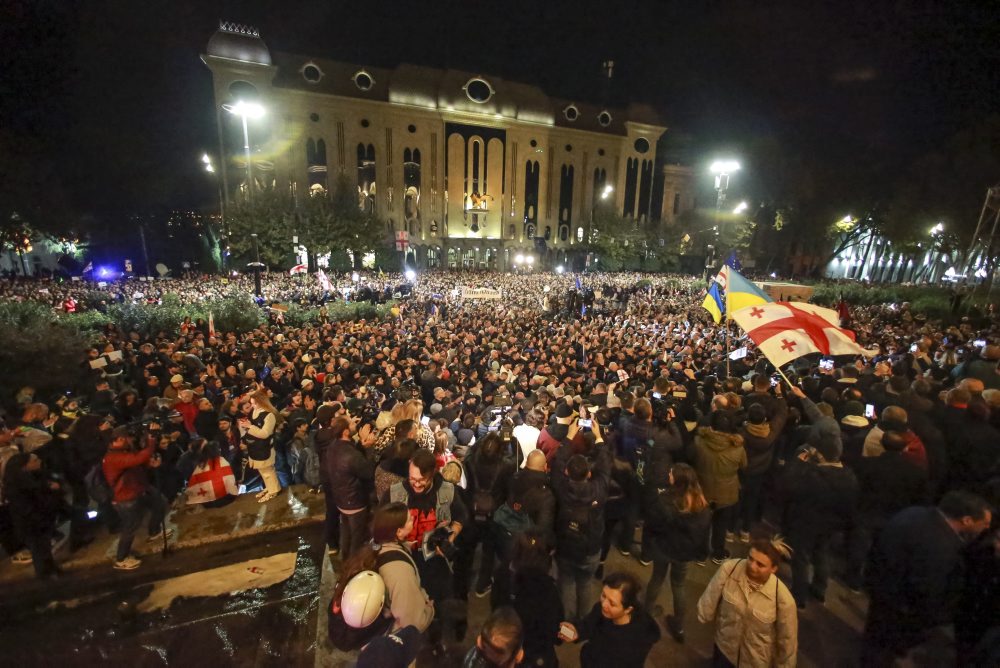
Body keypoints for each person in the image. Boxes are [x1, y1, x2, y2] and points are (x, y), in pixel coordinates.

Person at [862, 491, 993, 667]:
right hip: (901, 612)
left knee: (873, 640)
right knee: (881, 653)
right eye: (985, 523)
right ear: (967, 520)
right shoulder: (944, 549)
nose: (986, 528)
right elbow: (927, 593)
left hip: (880, 591)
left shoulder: (913, 513)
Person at [330, 502, 434, 635]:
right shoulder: (400, 571)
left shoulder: (374, 547)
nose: (413, 519)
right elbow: (412, 622)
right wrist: (430, 609)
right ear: (399, 531)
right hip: (394, 639)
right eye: (409, 519)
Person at [696, 535, 798, 667]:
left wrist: (784, 664)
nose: (751, 565)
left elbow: (787, 640)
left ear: (773, 569)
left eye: (760, 565)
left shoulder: (783, 599)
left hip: (754, 662)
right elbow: (710, 597)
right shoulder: (730, 569)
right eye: (750, 558)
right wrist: (704, 613)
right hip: (724, 649)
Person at [388, 448, 467, 606]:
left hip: (435, 564)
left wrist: (450, 537)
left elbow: (461, 517)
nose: (416, 484)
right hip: (405, 561)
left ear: (432, 474)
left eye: (422, 480)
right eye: (412, 479)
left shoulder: (447, 491)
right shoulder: (395, 494)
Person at [643, 462, 711, 642]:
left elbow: (654, 524)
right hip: (684, 553)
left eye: (671, 474)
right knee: (679, 586)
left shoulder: (666, 500)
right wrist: (702, 552)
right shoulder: (701, 504)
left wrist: (651, 543)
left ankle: (646, 613)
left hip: (664, 548)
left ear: (677, 481)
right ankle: (679, 626)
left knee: (657, 578)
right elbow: (704, 532)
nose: (669, 475)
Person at [551, 420, 612, 621]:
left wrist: (569, 436)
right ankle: (584, 620)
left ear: (567, 473)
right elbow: (605, 466)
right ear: (589, 474)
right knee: (585, 584)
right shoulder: (599, 489)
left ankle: (567, 621)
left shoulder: (561, 487)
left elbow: (559, 460)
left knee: (566, 582)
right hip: (591, 547)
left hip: (566, 544)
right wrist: (600, 437)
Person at [558, 571, 660, 668]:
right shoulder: (602, 609)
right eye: (603, 595)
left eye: (612, 603)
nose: (604, 604)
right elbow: (589, 624)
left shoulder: (634, 643)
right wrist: (577, 632)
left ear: (628, 609)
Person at [102, 425, 170, 570]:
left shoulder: (124, 451)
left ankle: (154, 531)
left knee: (160, 502)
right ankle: (121, 558)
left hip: (140, 488)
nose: (131, 440)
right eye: (129, 438)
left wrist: (149, 464)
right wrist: (151, 441)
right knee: (131, 526)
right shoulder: (113, 458)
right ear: (120, 439)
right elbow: (137, 459)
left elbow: (138, 462)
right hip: (126, 496)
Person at [492, 529, 563, 668]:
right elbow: (554, 629)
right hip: (535, 654)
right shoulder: (546, 589)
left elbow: (495, 607)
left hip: (507, 647)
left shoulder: (503, 572)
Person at [693, 410, 747, 563]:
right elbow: (744, 465)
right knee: (721, 524)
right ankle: (718, 551)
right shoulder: (738, 448)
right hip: (727, 492)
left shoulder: (699, 441)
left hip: (703, 489)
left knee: (703, 522)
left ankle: (700, 554)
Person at [2, 452, 63, 579]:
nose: (39, 461)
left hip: (37, 521)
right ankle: (46, 576)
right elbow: (26, 507)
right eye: (34, 460)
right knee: (39, 550)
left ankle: (51, 571)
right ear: (25, 466)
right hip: (31, 523)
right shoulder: (19, 487)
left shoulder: (31, 479)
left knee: (44, 549)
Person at [324, 415, 377, 558]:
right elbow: (367, 472)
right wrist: (370, 449)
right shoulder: (351, 455)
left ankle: (344, 558)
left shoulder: (333, 446)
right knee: (357, 537)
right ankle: (353, 566)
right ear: (346, 432)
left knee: (346, 531)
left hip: (341, 499)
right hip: (355, 502)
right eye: (352, 424)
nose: (356, 425)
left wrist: (361, 444)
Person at [238, 390, 282, 503]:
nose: (252, 406)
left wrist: (250, 426)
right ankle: (269, 487)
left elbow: (265, 434)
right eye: (252, 403)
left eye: (255, 403)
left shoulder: (269, 415)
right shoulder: (254, 411)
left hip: (265, 447)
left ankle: (274, 490)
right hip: (255, 447)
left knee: (268, 471)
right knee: (262, 471)